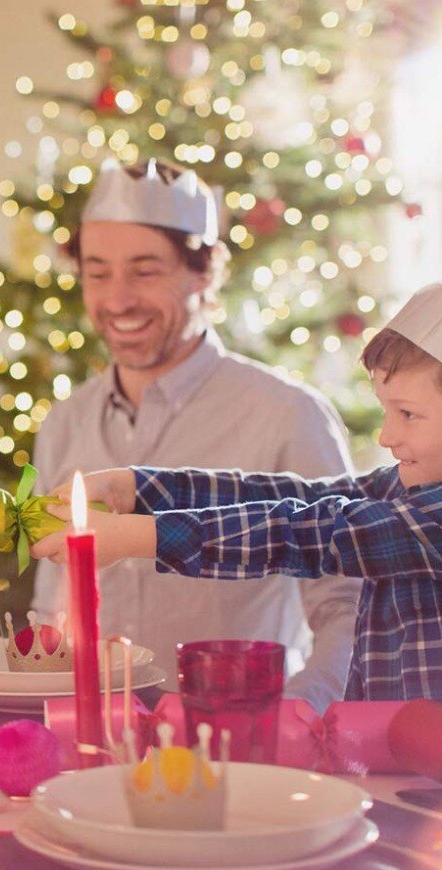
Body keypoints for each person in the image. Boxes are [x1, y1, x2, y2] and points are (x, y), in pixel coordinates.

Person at [30, 158, 360, 711]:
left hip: (242, 743)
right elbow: (51, 604)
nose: (116, 300)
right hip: (96, 740)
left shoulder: (289, 415)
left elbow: (347, 609)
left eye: (145, 270)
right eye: (97, 271)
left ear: (204, 271)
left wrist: (300, 713)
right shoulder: (64, 422)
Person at [31, 281, 442, 702]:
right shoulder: (398, 485)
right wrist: (139, 488)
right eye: (386, 409)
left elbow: (307, 531)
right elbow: (289, 495)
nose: (387, 435)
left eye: (408, 414)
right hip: (385, 755)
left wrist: (138, 537)